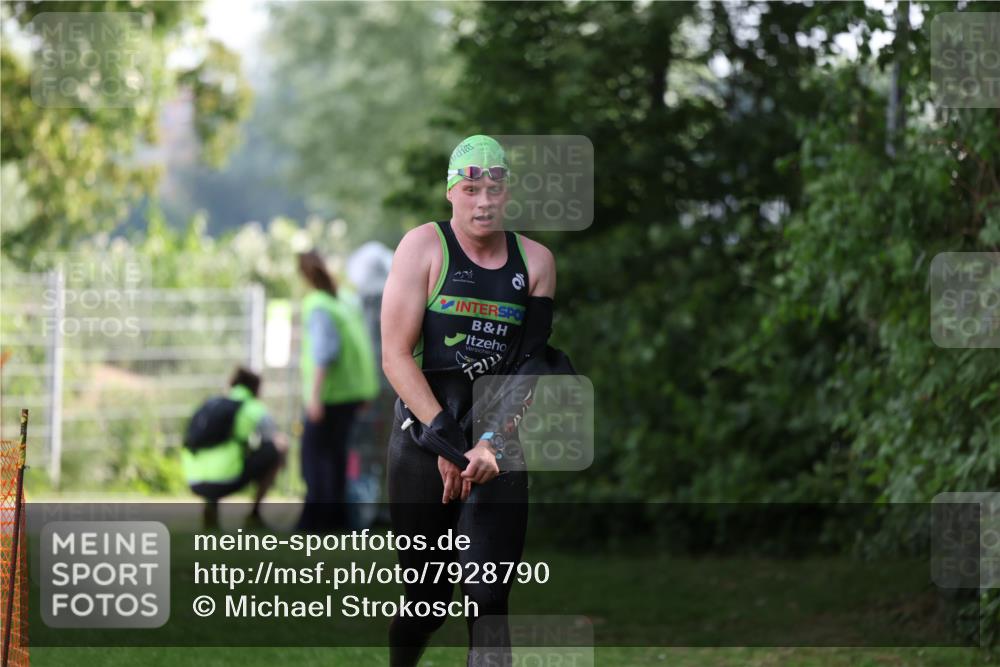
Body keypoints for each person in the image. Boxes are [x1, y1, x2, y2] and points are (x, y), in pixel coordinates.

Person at [381, 134, 557, 666]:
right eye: (471, 187)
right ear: (451, 193)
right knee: (426, 604)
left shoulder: (537, 261)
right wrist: (448, 442)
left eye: (494, 188)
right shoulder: (423, 247)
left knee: (488, 598)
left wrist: (488, 443)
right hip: (421, 441)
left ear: (508, 194)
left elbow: (529, 364)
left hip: (496, 443)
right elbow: (394, 355)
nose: (483, 200)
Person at [296, 250, 380, 532]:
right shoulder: (345, 299)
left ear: (304, 275)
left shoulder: (318, 304)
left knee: (314, 458)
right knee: (336, 457)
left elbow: (324, 353)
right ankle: (339, 521)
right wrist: (366, 392)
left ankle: (316, 521)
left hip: (330, 394)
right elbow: (361, 346)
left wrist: (314, 398)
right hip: (353, 393)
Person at [182, 366, 288, 529]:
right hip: (227, 478)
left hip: (193, 479)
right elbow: (276, 441)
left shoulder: (211, 404)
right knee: (277, 450)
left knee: (222, 455)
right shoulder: (254, 408)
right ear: (257, 389)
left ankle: (211, 507)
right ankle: (254, 514)